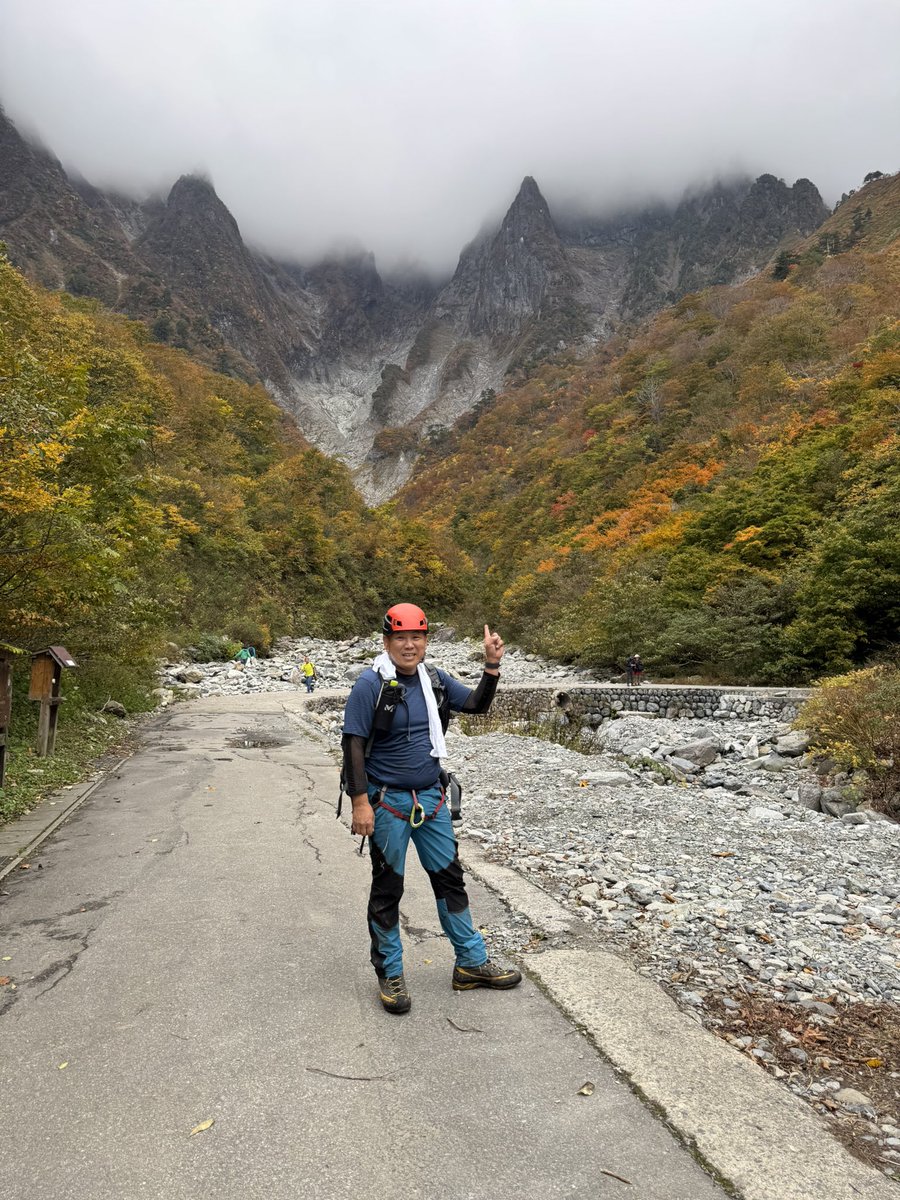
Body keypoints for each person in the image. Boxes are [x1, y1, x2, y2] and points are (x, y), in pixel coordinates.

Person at [341, 602, 522, 1014]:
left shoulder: (434, 680)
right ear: (386, 642)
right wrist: (360, 804)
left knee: (450, 881)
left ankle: (471, 964)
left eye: (416, 637)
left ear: (425, 641)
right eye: (400, 637)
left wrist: (491, 667)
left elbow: (476, 705)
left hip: (432, 799)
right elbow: (353, 743)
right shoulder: (370, 685)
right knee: (388, 888)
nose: (408, 645)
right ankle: (390, 972)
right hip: (388, 803)